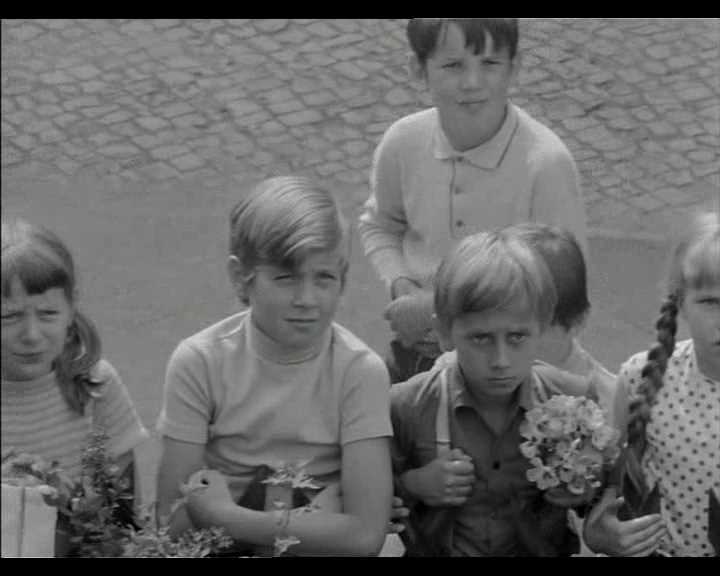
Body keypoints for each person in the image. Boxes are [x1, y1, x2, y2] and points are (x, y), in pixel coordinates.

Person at [155, 176, 393, 556]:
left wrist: (227, 517)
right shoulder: (199, 362)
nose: (307, 299)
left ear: (344, 278)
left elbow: (366, 535)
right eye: (285, 278)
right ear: (241, 278)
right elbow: (172, 522)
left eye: (324, 278)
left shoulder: (360, 372)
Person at [358, 18, 588, 383]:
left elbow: (561, 289)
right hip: (416, 353)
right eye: (453, 65)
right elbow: (381, 225)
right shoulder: (402, 142)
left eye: (490, 63)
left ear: (515, 67)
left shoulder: (546, 165)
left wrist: (436, 308)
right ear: (418, 68)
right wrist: (399, 282)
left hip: (508, 370)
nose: (472, 82)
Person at [390, 229, 596, 556]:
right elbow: (369, 497)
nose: (500, 360)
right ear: (444, 333)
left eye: (517, 338)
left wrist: (583, 493)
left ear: (541, 327)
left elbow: (602, 498)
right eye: (481, 338)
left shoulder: (573, 402)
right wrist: (413, 484)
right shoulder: (407, 406)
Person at [1, 217, 149, 553]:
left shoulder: (95, 384)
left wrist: (73, 504)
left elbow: (124, 518)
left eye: (48, 313)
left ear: (71, 309)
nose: (31, 335)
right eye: (8, 316)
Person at [584, 211, 720, 557]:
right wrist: (606, 532)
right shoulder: (641, 376)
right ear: (681, 303)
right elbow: (607, 489)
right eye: (710, 302)